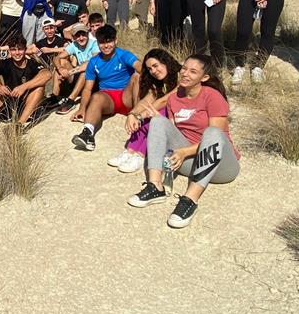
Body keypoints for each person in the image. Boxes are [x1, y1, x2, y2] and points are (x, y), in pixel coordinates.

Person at [127, 54, 240, 229]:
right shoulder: (174, 98)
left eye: (193, 72)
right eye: (185, 69)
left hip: (220, 166)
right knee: (157, 121)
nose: (185, 74)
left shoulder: (212, 96)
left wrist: (184, 152)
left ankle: (189, 200)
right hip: (189, 162)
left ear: (205, 77)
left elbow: (218, 137)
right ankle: (155, 187)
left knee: (213, 132)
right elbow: (173, 132)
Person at [108, 48, 181, 173]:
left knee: (156, 115)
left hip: (182, 116)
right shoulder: (159, 81)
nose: (154, 71)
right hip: (170, 113)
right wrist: (133, 114)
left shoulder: (181, 76)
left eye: (155, 66)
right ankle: (130, 151)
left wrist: (141, 116)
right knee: (148, 113)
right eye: (150, 69)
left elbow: (164, 100)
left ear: (165, 62)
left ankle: (141, 155)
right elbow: (148, 99)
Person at [70, 25, 140, 151]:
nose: (106, 45)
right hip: (109, 99)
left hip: (127, 95)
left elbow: (140, 68)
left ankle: (137, 115)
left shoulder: (123, 55)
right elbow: (87, 89)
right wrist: (82, 108)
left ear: (116, 40)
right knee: (96, 96)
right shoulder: (94, 61)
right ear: (97, 43)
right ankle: (87, 134)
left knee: (137, 76)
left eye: (109, 41)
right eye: (102, 42)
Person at [0, 33, 51, 127]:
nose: (17, 53)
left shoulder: (31, 64)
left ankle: (18, 125)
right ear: (10, 51)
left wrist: (24, 87)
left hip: (25, 106)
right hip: (7, 104)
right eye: (13, 50)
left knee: (39, 87)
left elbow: (47, 74)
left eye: (20, 49)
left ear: (25, 50)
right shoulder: (6, 63)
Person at [53, 23, 100, 114]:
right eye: (78, 36)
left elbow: (91, 63)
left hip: (93, 81)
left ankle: (71, 100)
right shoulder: (74, 45)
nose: (81, 38)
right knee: (62, 63)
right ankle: (55, 97)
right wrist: (60, 69)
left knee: (86, 71)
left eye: (83, 35)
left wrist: (70, 72)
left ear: (87, 34)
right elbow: (57, 58)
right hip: (79, 76)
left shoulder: (94, 44)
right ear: (74, 37)